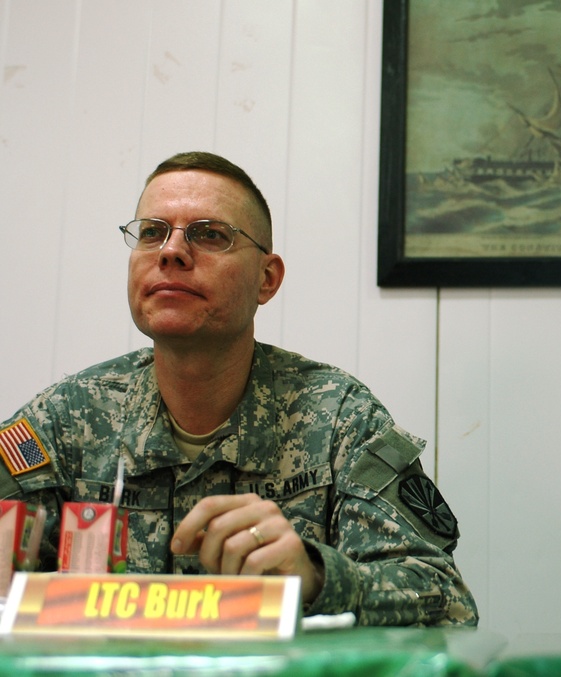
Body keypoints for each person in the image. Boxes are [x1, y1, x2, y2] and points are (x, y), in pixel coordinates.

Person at [0, 151, 478, 626]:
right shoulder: (68, 419)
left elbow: (447, 602)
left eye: (210, 234)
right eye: (151, 232)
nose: (170, 251)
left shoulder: (336, 416)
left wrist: (315, 577)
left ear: (266, 280)